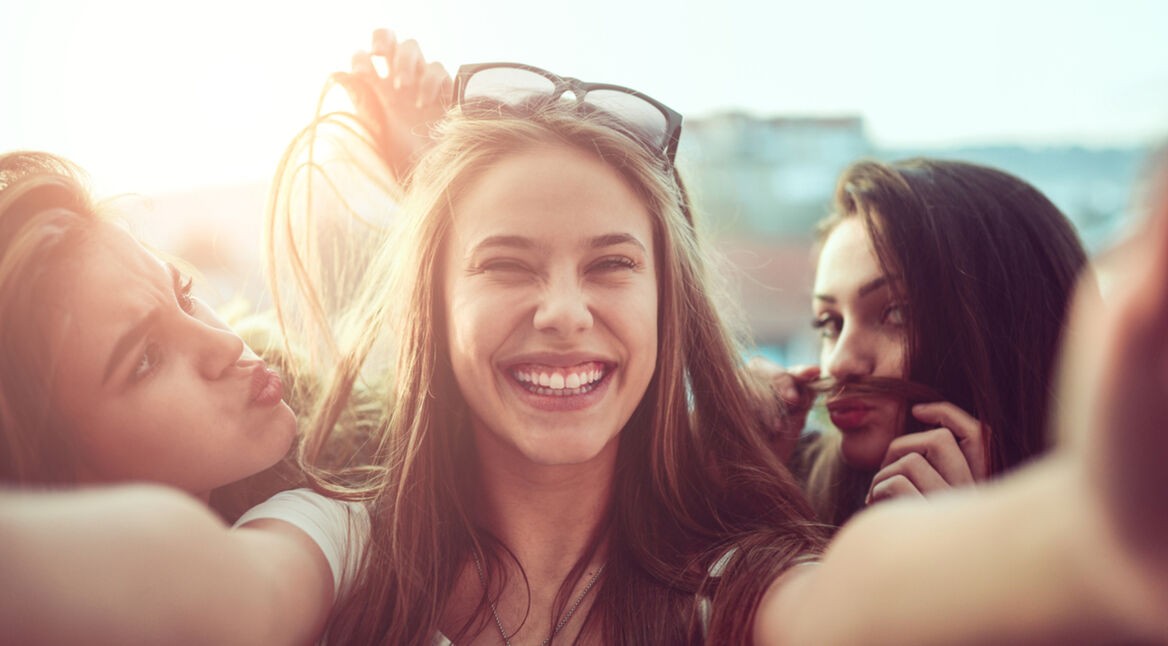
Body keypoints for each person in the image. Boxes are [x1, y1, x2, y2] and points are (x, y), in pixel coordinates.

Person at [2, 35, 1167, 645]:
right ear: (433, 309)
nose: (566, 307)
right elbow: (202, 585)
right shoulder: (346, 535)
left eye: (612, 265)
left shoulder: (729, 579)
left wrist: (1093, 538)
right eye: (506, 265)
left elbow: (858, 601)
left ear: (668, 312)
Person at [756, 158, 1088, 527]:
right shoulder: (779, 487)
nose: (839, 363)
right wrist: (730, 473)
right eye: (829, 323)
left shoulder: (1126, 562)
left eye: (896, 314)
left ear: (1005, 334)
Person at [0, 151, 298, 508]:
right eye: (146, 359)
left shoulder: (347, 457)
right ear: (53, 473)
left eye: (184, 296)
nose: (229, 344)